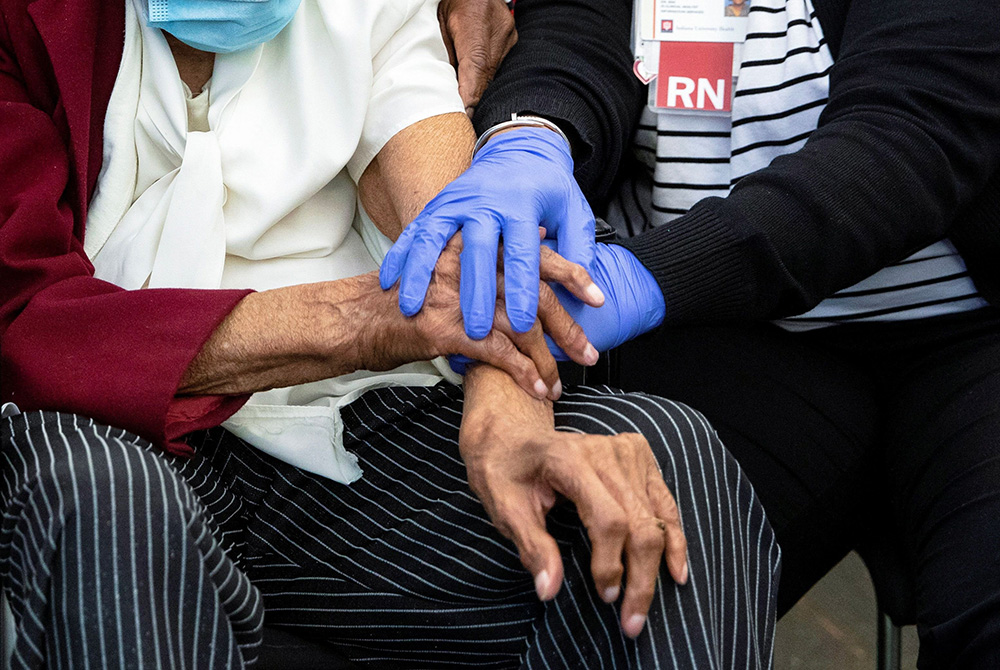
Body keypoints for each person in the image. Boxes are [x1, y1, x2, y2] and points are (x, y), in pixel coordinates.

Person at [0, 0, 781, 668]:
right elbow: (26, 312)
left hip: (359, 420)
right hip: (114, 420)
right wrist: (375, 319)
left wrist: (511, 399)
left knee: (658, 465)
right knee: (98, 497)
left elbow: (452, 231)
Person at [387, 0, 1000, 666]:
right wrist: (534, 131)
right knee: (620, 577)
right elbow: (575, 34)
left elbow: (902, 141)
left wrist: (638, 278)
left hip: (963, 338)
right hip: (721, 336)